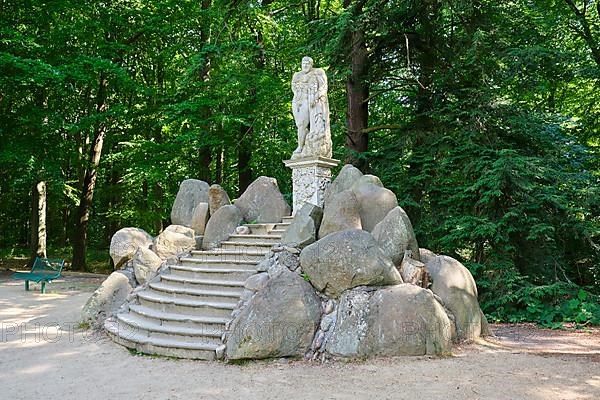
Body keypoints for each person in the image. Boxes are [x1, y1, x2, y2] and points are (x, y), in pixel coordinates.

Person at [291, 56, 331, 158]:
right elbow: (293, 86)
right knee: (298, 124)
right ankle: (304, 143)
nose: (305, 65)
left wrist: (316, 96)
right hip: (296, 100)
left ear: (311, 65)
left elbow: (323, 87)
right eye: (303, 63)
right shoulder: (297, 75)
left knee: (301, 124)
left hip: (306, 101)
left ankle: (300, 147)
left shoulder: (316, 73)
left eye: (307, 64)